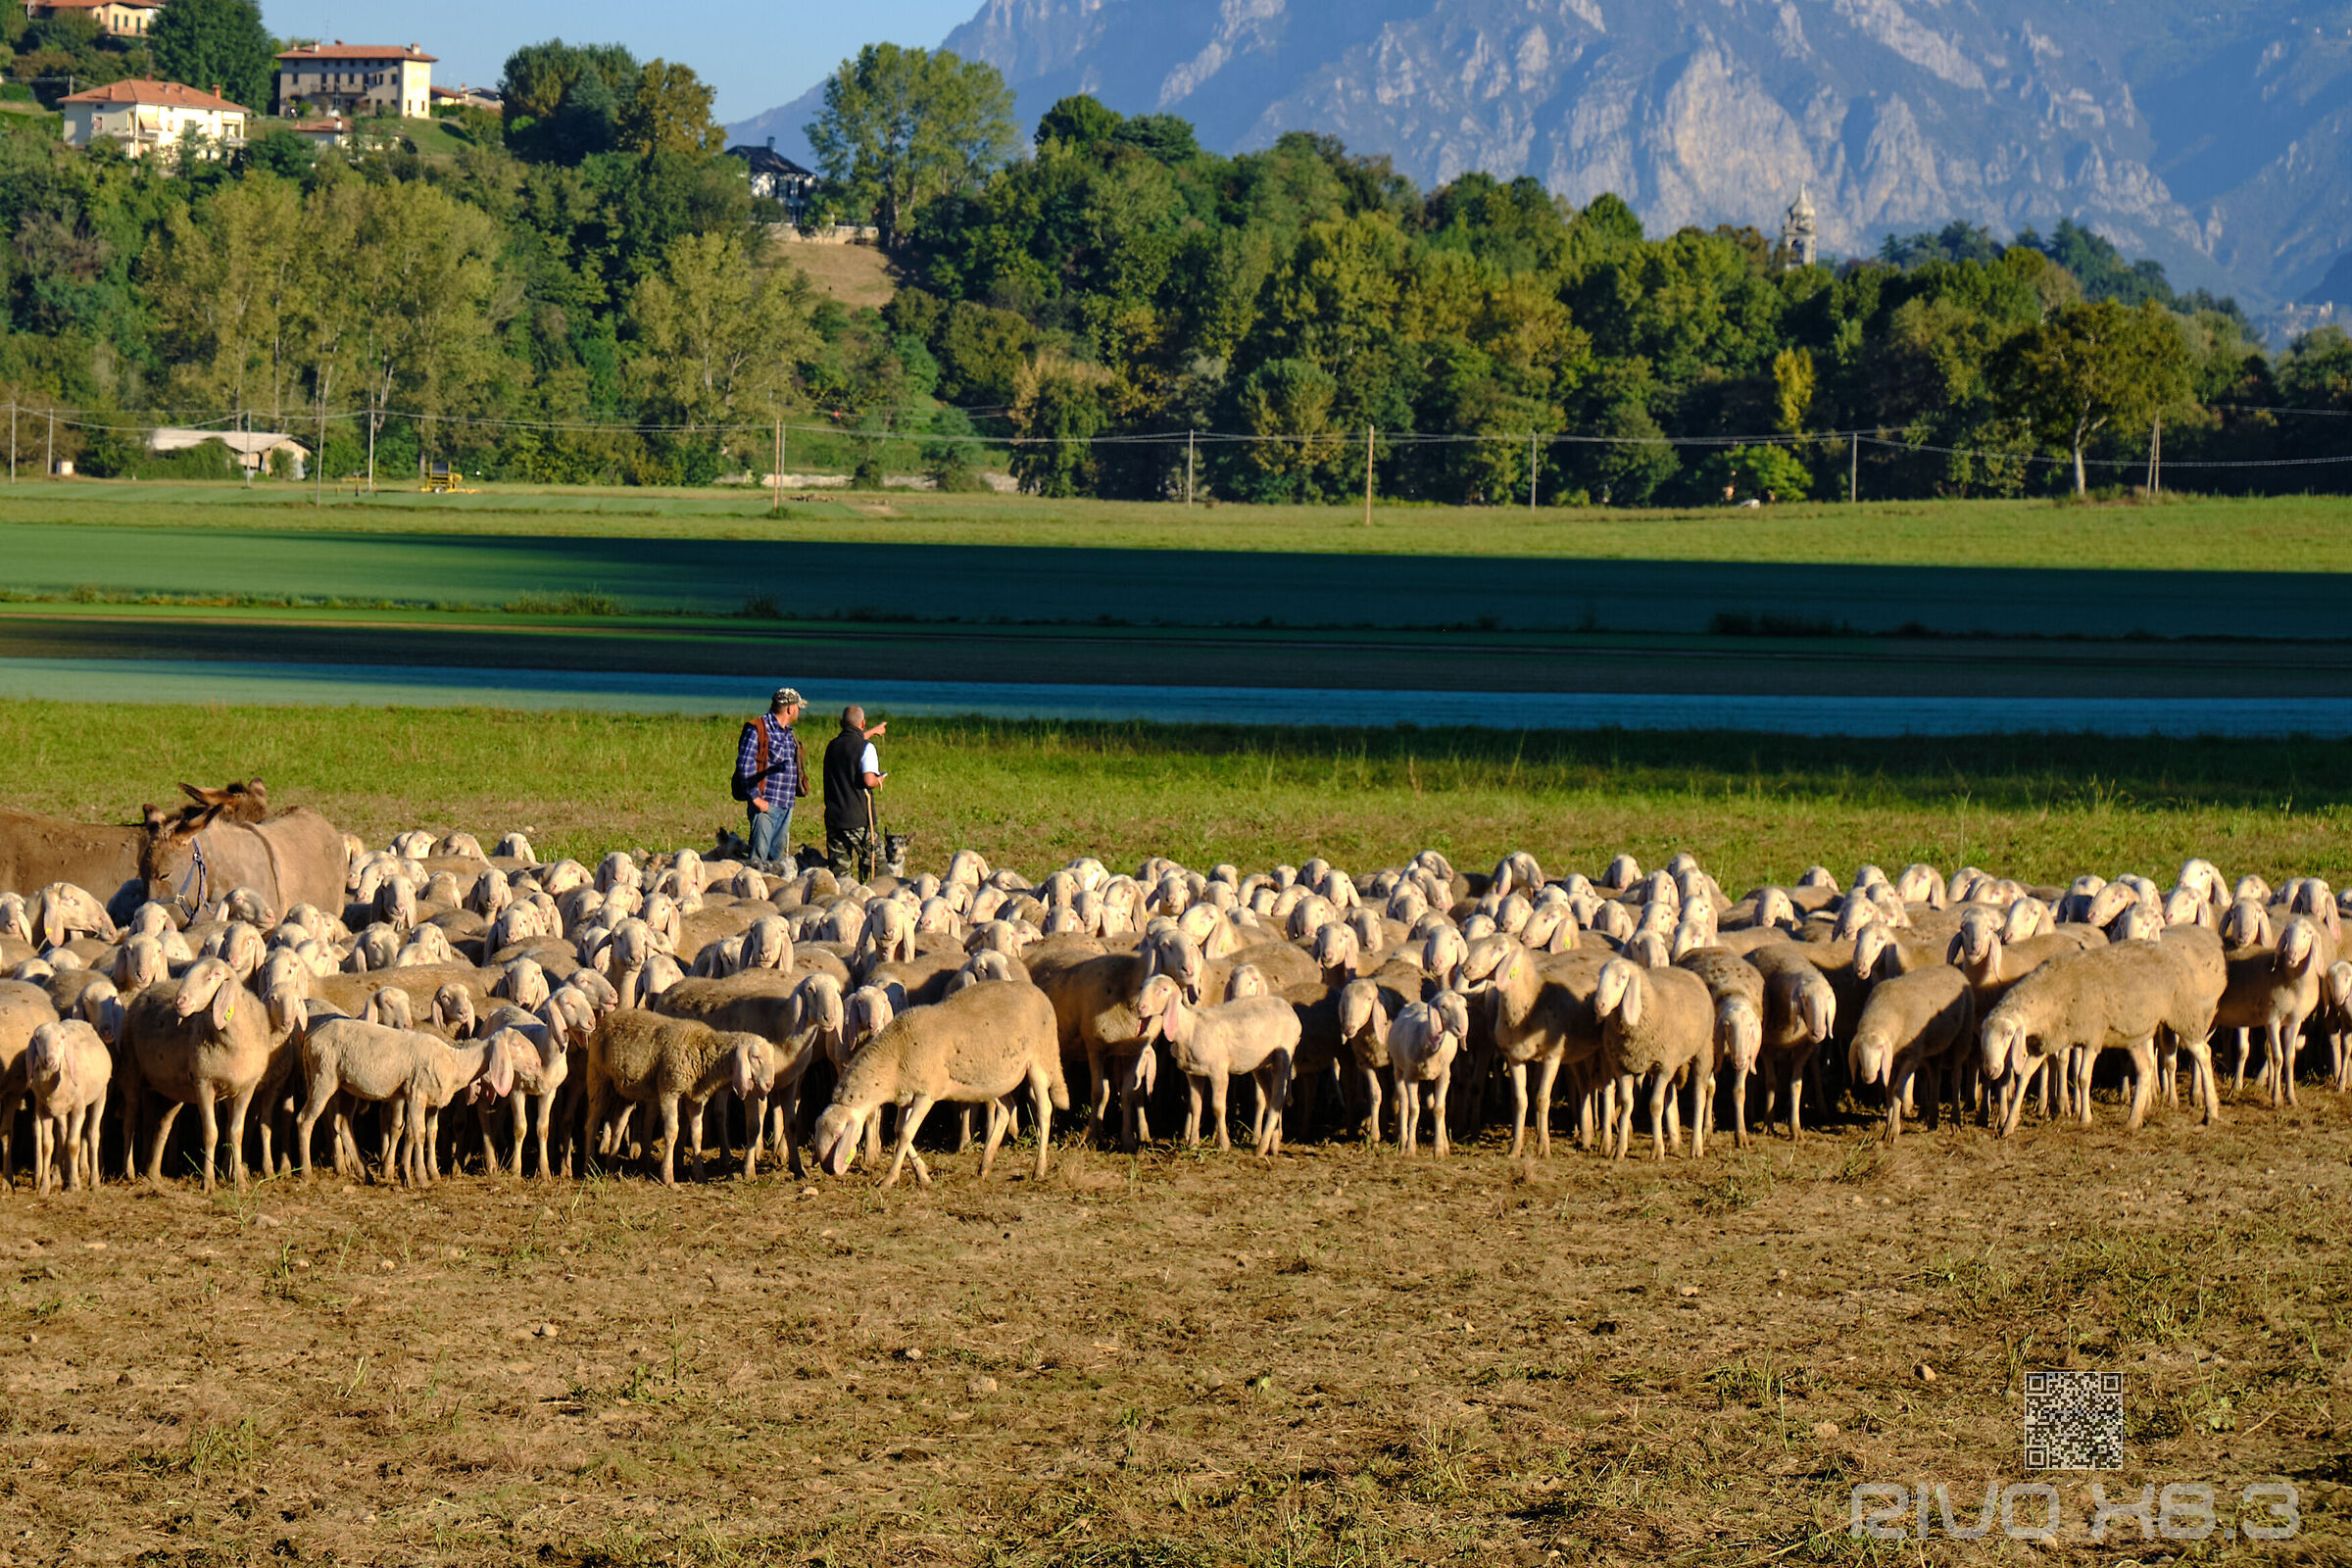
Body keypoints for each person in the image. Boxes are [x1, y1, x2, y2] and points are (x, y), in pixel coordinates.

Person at [732, 687, 807, 866]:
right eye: (798, 707)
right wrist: (756, 799)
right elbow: (745, 765)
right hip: (766, 804)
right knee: (758, 857)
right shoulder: (758, 729)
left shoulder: (788, 732)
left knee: (776, 859)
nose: (798, 711)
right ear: (790, 709)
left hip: (785, 804)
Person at [823, 704, 888, 880]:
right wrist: (879, 780)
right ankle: (873, 894)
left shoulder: (832, 746)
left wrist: (873, 732)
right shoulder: (866, 748)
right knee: (876, 865)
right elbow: (868, 780)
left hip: (835, 818)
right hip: (859, 819)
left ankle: (842, 894)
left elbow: (851, 743)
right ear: (863, 723)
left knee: (840, 872)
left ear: (840, 723)